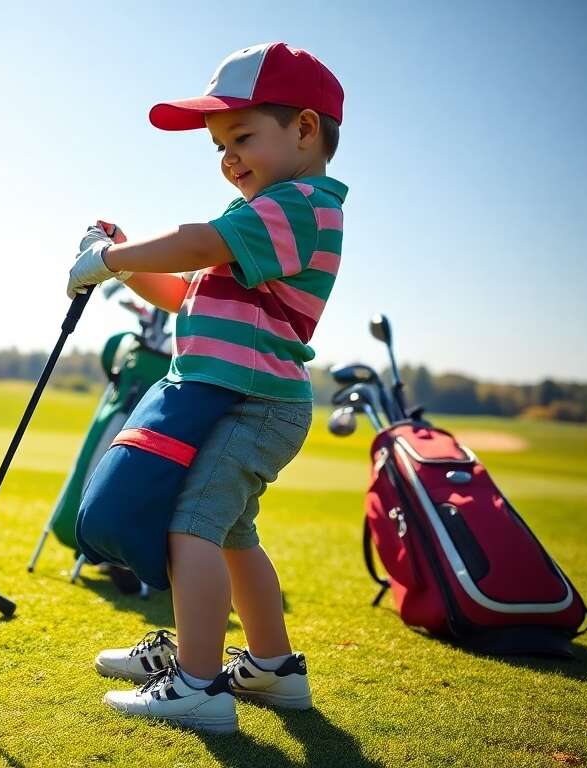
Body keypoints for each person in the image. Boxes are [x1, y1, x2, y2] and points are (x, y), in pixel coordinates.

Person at [65, 42, 347, 734]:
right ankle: (273, 669)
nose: (229, 156)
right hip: (244, 399)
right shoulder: (260, 219)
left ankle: (196, 682)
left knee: (189, 525)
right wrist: (124, 265)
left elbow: (194, 244)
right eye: (220, 145)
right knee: (230, 534)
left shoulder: (302, 206)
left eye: (242, 136)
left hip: (254, 402)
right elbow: (180, 290)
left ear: (305, 129)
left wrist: (106, 258)